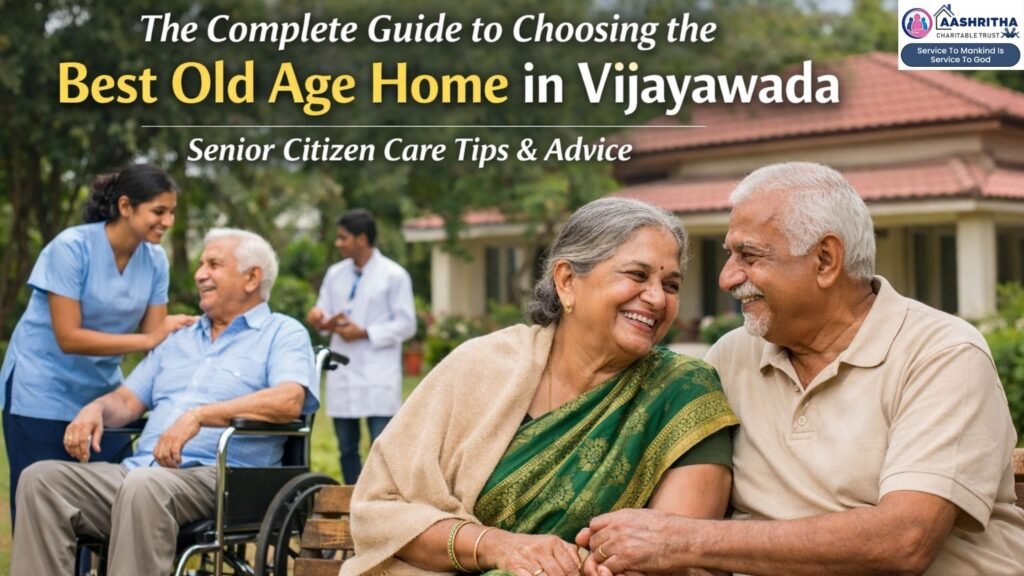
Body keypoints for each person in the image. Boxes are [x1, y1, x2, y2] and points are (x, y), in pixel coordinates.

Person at [580, 162, 1024, 575]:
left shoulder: (942, 353)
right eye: (730, 256)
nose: (728, 278)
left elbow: (906, 539)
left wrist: (686, 540)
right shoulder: (731, 356)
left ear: (826, 260)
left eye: (749, 256)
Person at [340, 198, 739, 576]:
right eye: (637, 275)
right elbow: (381, 509)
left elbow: (670, 554)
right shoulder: (480, 367)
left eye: (671, 285)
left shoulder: (682, 394)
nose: (656, 298)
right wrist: (497, 546)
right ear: (566, 281)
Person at [10, 228, 319, 575]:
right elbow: (127, 401)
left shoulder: (282, 333)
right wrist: (94, 408)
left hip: (221, 480)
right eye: (201, 264)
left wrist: (201, 416)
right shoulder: (179, 338)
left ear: (252, 278)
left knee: (145, 486)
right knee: (41, 480)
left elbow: (289, 400)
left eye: (214, 264)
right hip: (143, 472)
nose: (200, 274)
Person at [0, 163, 196, 525]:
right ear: (126, 207)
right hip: (41, 388)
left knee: (102, 509)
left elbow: (155, 341)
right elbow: (68, 336)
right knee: (42, 510)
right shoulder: (71, 248)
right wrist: (151, 336)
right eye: (158, 211)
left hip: (101, 396)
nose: (167, 221)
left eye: (171, 212)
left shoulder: (154, 261)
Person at [305, 208, 416, 484]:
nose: (338, 243)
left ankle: (381, 502)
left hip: (378, 372)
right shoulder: (335, 274)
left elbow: (406, 324)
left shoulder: (394, 275)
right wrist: (318, 316)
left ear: (362, 239)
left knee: (383, 446)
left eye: (343, 238)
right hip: (343, 372)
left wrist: (365, 333)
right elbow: (323, 309)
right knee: (346, 448)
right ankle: (352, 502)